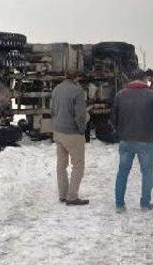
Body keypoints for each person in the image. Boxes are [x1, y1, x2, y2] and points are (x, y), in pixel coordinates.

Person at [112, 70, 153, 213]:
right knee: (147, 173)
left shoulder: (120, 95)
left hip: (126, 140)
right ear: (143, 79)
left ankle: (119, 204)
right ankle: (145, 204)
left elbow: (113, 119)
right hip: (146, 140)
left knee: (122, 172)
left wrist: (120, 132)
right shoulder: (151, 96)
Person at [50, 68, 89, 206]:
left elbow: (52, 110)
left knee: (61, 164)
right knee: (78, 165)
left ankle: (63, 194)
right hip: (72, 133)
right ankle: (72, 197)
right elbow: (80, 115)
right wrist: (82, 130)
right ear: (77, 78)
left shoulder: (56, 89)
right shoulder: (78, 91)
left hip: (58, 132)